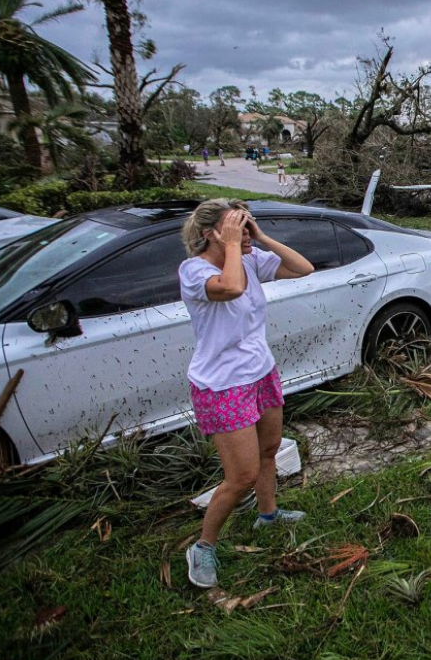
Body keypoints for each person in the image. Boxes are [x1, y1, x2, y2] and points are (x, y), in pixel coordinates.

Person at [180, 199, 314, 588]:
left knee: (270, 451)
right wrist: (236, 247)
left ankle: (268, 514)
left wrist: (259, 236)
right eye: (234, 225)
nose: (243, 230)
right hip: (222, 385)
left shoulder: (251, 259)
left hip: (260, 372)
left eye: (245, 223)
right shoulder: (194, 270)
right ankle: (203, 547)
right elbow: (232, 287)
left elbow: (303, 267)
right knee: (241, 476)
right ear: (210, 235)